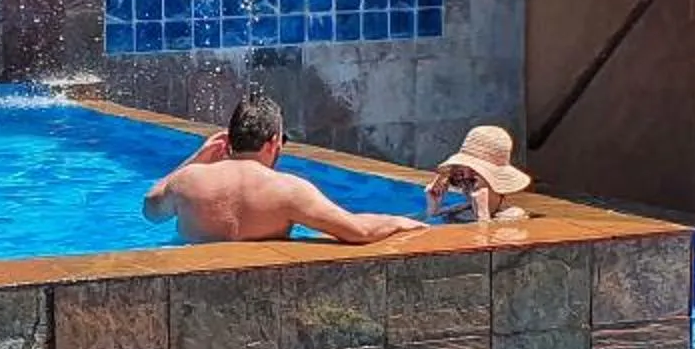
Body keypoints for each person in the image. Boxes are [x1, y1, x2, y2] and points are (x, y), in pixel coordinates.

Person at [143, 91, 426, 245]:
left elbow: (151, 211)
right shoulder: (288, 190)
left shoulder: (189, 180)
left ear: (228, 140)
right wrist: (400, 221)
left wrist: (199, 156)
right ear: (274, 141)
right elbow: (357, 232)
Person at [425, 125, 533, 223]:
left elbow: (486, 242)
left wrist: (482, 216)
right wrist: (433, 207)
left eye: (473, 179)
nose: (465, 186)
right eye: (460, 177)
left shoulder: (512, 215)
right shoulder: (463, 209)